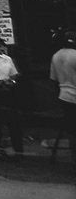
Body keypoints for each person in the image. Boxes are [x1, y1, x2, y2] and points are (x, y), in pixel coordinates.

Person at [50, 30, 76, 168]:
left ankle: (74, 157)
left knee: (71, 128)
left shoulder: (56, 56)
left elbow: (53, 79)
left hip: (64, 95)